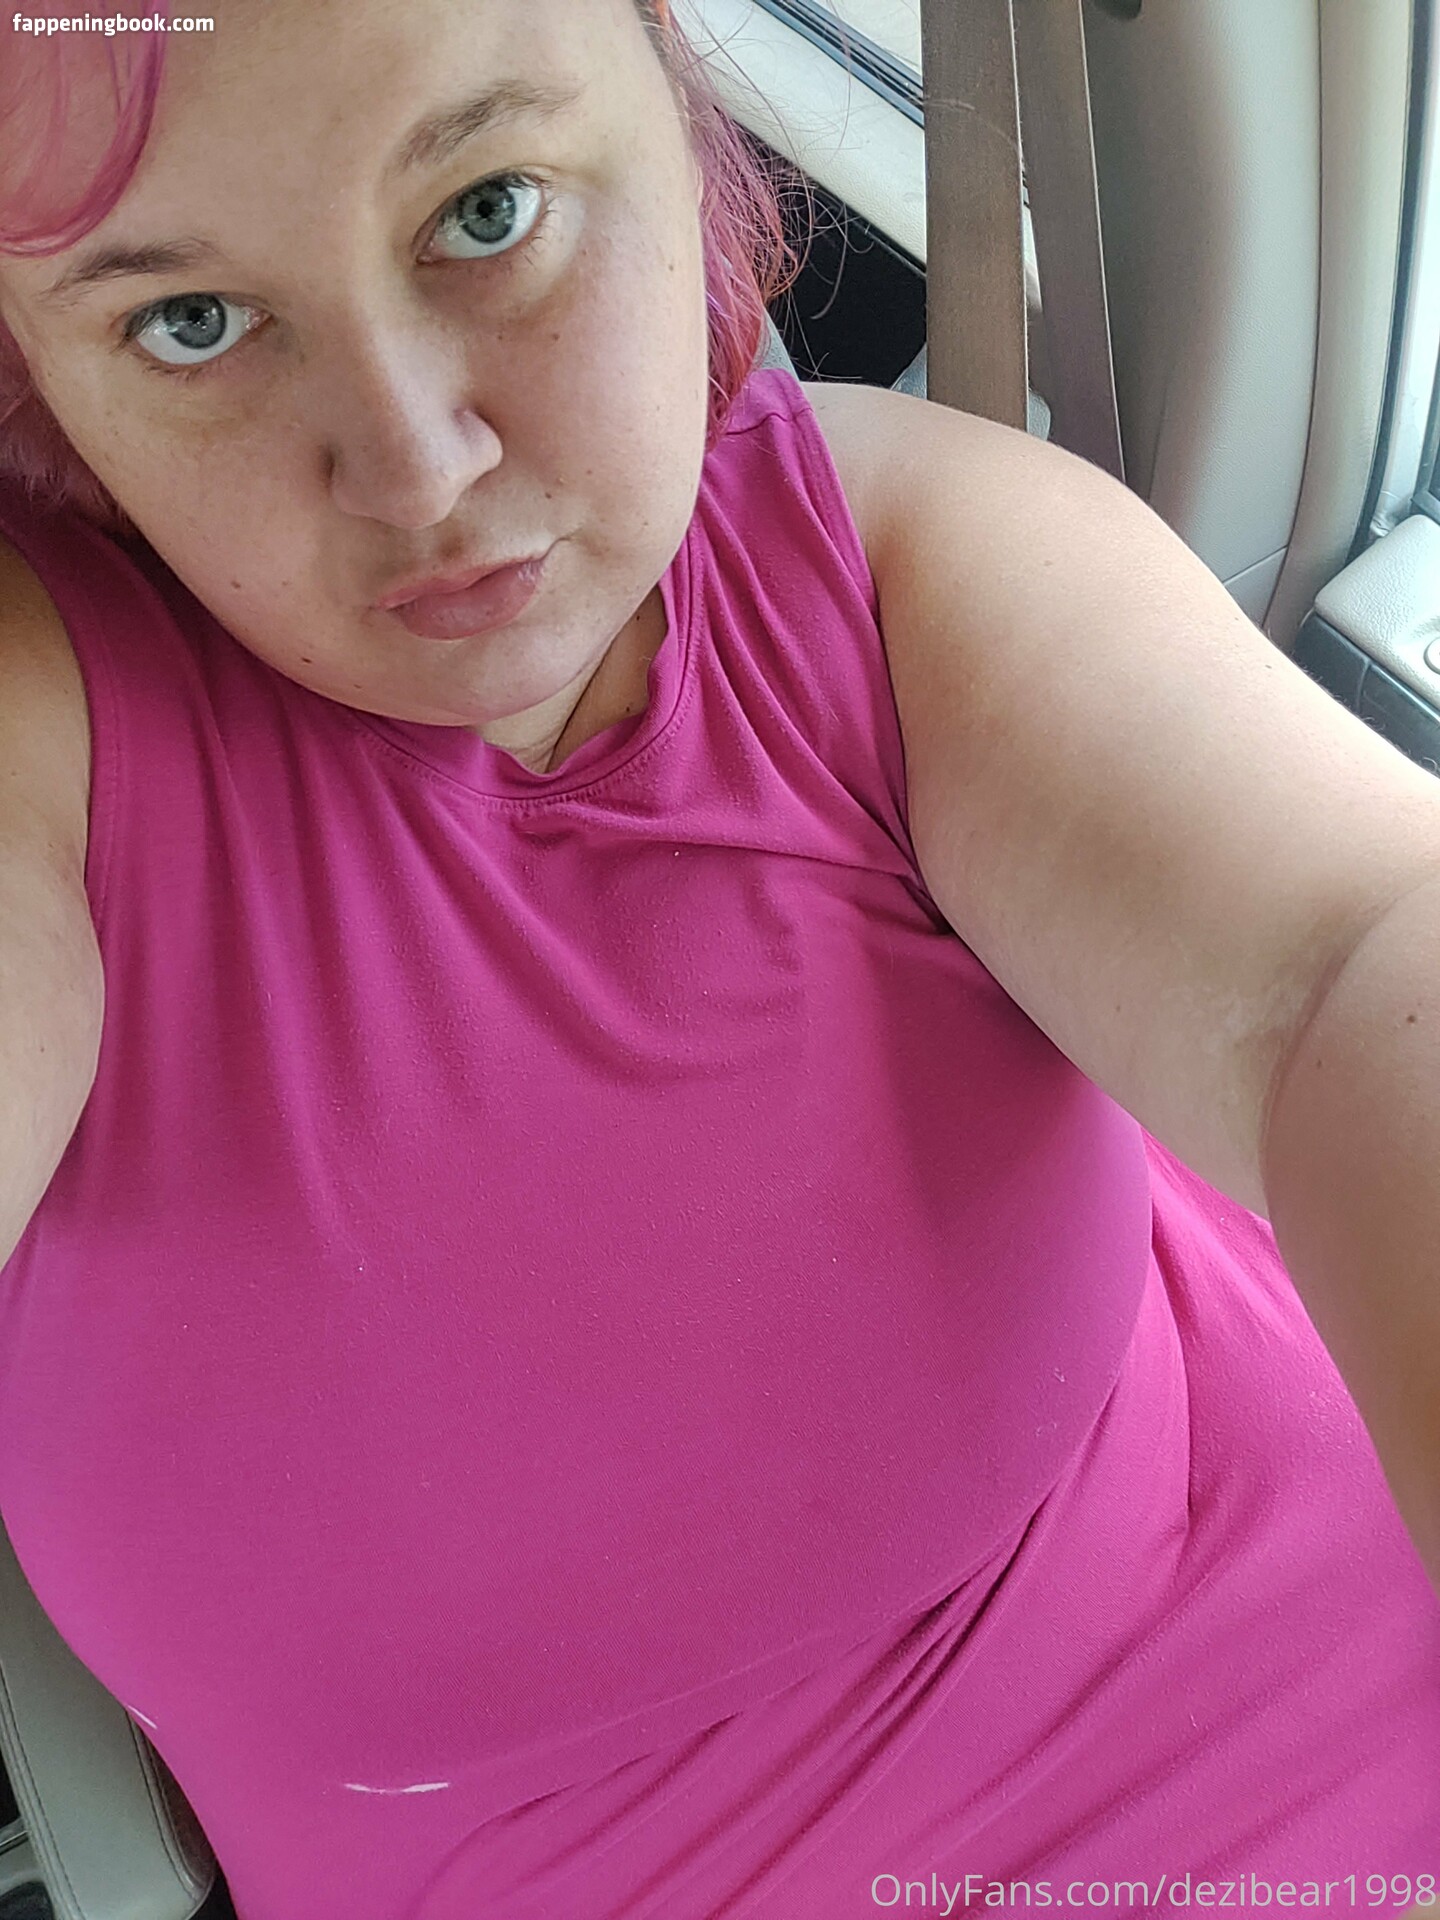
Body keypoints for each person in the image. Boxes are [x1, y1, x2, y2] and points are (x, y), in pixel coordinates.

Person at [0, 2, 1436, 1917]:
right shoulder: (52, 750)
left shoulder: (886, 565)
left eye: (488, 211)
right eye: (190, 320)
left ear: (673, 114)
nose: (418, 469)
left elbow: (1349, 966)